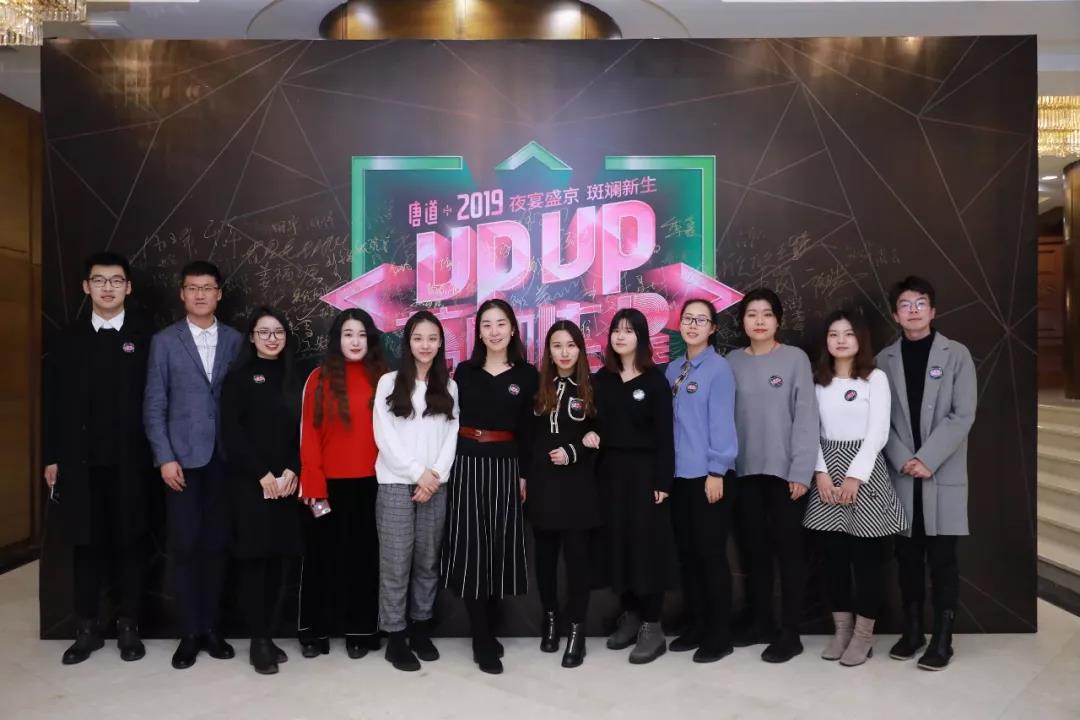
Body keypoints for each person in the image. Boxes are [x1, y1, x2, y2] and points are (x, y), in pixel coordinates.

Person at [43, 252, 152, 665]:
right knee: (84, 547)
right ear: (86, 287)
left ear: (129, 287)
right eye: (100, 280)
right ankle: (86, 628)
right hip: (79, 462)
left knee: (130, 545)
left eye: (116, 280)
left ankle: (129, 627)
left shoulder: (146, 337)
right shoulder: (67, 338)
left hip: (131, 463)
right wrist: (52, 456)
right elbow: (53, 402)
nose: (108, 288)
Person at [144, 260, 243, 670]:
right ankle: (188, 632)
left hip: (225, 460)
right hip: (181, 463)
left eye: (207, 287)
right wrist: (165, 457)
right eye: (192, 288)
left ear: (219, 293)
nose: (200, 294)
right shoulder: (165, 342)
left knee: (217, 546)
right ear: (182, 294)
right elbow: (154, 404)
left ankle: (211, 628)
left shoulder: (237, 340)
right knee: (184, 546)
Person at [877, 276, 976, 671]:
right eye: (905, 304)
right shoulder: (884, 360)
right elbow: (879, 420)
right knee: (907, 558)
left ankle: (943, 637)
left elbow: (963, 414)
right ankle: (913, 630)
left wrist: (927, 459)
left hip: (941, 472)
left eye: (920, 303)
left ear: (933, 311)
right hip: (902, 475)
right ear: (895, 314)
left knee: (943, 560)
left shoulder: (957, 355)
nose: (913, 310)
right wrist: (904, 458)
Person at [802, 309, 907, 667]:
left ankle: (863, 637)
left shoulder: (875, 378)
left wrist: (854, 476)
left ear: (860, 339)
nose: (841, 340)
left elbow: (878, 432)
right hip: (825, 474)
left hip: (864, 472)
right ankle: (842, 631)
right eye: (834, 334)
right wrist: (820, 472)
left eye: (848, 334)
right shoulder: (818, 381)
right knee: (833, 561)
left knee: (867, 563)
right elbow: (810, 430)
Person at [440, 298, 538, 675]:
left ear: (513, 329)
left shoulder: (527, 375)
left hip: (506, 466)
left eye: (500, 324)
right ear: (478, 332)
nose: (494, 331)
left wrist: (524, 474)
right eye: (487, 325)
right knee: (471, 550)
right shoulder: (464, 372)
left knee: (498, 549)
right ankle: (481, 639)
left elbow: (528, 431)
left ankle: (490, 628)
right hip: (467, 464)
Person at [726, 287, 818, 664]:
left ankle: (790, 633)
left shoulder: (795, 359)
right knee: (754, 552)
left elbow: (807, 418)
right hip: (744, 473)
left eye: (766, 314)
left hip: (786, 476)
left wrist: (801, 471)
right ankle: (761, 623)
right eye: (752, 314)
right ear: (742, 322)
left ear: (778, 320)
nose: (759, 321)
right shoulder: (732, 361)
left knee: (789, 555)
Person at [297, 308, 387, 659]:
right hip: (327, 486)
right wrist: (313, 483)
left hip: (371, 484)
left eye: (362, 334)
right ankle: (314, 632)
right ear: (337, 339)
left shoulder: (384, 378)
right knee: (321, 560)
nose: (355, 341)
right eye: (348, 334)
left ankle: (360, 632)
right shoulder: (317, 379)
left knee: (364, 561)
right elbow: (308, 433)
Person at [372, 311, 459, 672]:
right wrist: (416, 473)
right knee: (395, 564)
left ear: (440, 344)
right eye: (418, 338)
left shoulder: (449, 386)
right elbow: (385, 436)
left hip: (435, 486)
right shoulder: (389, 383)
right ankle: (395, 637)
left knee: (427, 562)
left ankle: (421, 630)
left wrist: (434, 475)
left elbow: (452, 435)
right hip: (395, 484)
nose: (425, 345)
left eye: (432, 338)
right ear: (408, 343)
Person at [221, 307, 304, 675]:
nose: (272, 338)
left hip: (286, 485)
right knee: (255, 563)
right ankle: (258, 640)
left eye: (278, 332)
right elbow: (232, 432)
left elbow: (304, 430)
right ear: (252, 337)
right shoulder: (239, 378)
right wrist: (262, 474)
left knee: (278, 563)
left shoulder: (294, 377)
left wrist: (293, 470)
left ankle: (268, 634)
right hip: (251, 486)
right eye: (264, 332)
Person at [593, 308, 676, 665]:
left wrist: (662, 480)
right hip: (610, 475)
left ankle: (652, 626)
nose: (621, 336)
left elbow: (665, 437)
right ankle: (630, 616)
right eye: (616, 330)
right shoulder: (602, 379)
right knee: (619, 547)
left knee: (647, 549)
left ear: (641, 337)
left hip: (645, 475)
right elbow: (589, 423)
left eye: (629, 330)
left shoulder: (655, 381)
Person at [665, 299, 738, 664]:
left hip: (707, 477)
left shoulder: (718, 369)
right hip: (677, 477)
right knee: (688, 556)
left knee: (711, 556)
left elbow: (722, 422)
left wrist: (717, 470)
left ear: (712, 328)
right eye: (688, 319)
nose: (693, 325)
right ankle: (697, 625)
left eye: (701, 320)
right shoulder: (673, 368)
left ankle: (719, 635)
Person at [526, 320, 602, 669]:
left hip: (578, 488)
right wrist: (524, 476)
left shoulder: (592, 387)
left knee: (577, 564)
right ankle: (551, 619)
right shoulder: (537, 386)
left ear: (580, 349)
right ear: (549, 351)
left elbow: (601, 434)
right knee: (544, 561)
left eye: (571, 345)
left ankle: (576, 631)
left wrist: (576, 450)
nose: (564, 352)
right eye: (557, 345)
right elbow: (527, 437)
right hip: (543, 487)